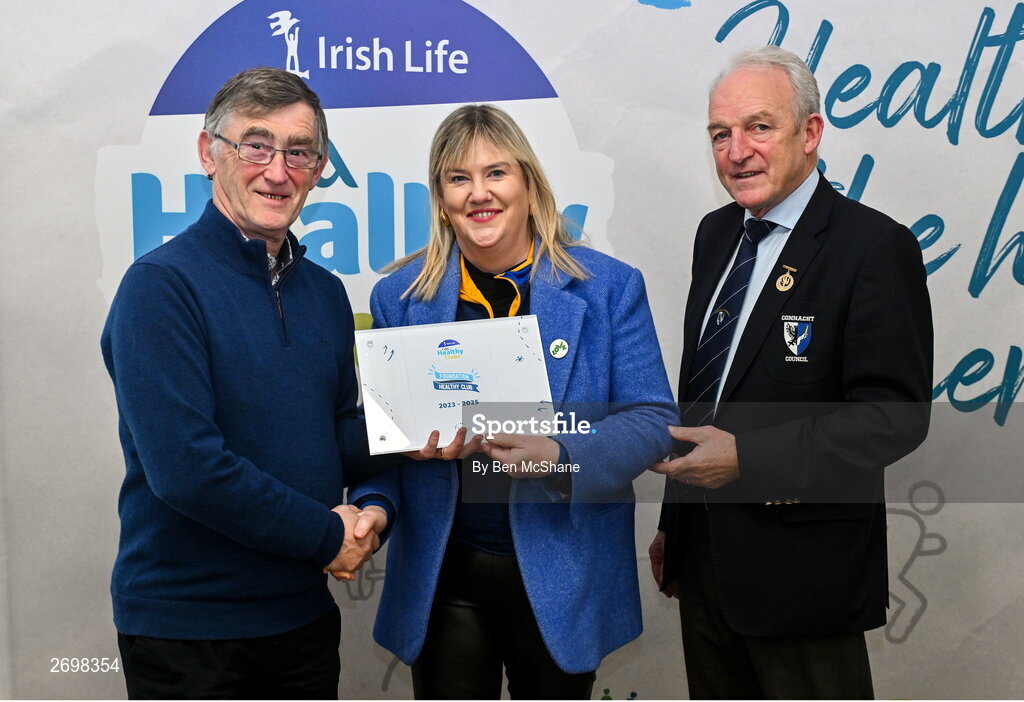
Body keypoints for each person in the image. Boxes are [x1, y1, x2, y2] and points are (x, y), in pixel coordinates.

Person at [346, 104, 677, 699]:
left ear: (529, 184)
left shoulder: (607, 287)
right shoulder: (399, 298)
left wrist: (560, 455)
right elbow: (382, 440)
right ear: (441, 198)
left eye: (496, 173)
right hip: (445, 577)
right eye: (459, 178)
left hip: (565, 572)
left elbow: (653, 420)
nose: (479, 193)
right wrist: (379, 493)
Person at [649, 46, 933, 699]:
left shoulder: (873, 246)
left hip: (803, 577)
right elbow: (703, 393)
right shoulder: (714, 235)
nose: (736, 151)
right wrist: (676, 523)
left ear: (810, 133)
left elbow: (895, 417)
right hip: (707, 565)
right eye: (720, 134)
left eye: (758, 127)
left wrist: (750, 459)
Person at [100, 67, 388, 699]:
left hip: (303, 620)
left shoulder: (326, 295)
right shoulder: (160, 288)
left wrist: (413, 449)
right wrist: (327, 538)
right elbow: (188, 470)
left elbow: (342, 434)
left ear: (319, 169)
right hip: (190, 632)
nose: (277, 171)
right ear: (210, 153)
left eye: (299, 152)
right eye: (256, 146)